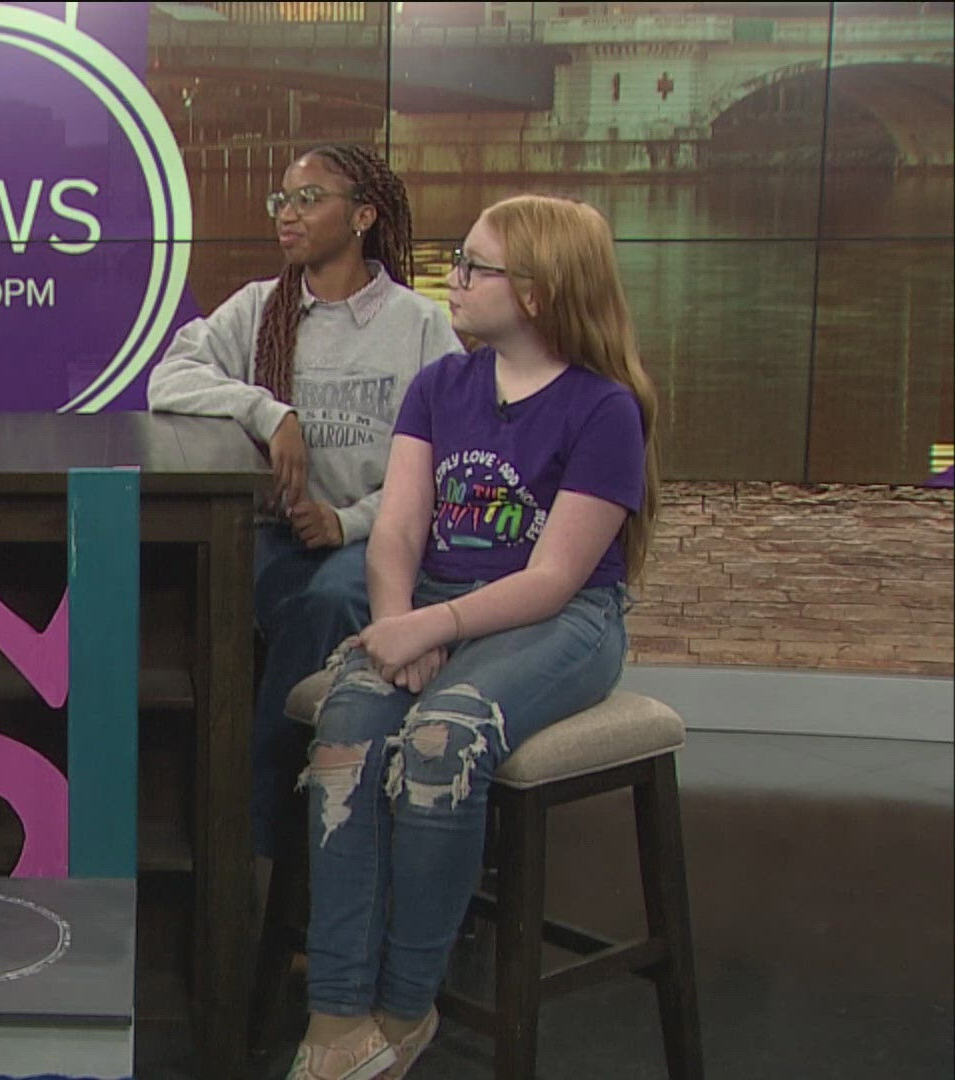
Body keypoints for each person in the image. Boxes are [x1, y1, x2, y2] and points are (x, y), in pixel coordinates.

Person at [286, 194, 660, 1080]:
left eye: (474, 265)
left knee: (442, 741)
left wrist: (432, 625)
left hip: (560, 622)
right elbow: (398, 532)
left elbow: (554, 579)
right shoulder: (442, 385)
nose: (450, 277)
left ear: (537, 291)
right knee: (345, 729)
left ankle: (406, 1006)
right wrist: (392, 626)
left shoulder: (605, 409)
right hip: (431, 604)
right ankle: (336, 1015)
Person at [146, 145, 459, 879]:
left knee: (324, 604)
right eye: (280, 201)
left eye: (309, 198)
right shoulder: (260, 308)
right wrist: (268, 410)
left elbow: (446, 465)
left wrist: (347, 522)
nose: (287, 215)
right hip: (272, 533)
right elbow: (170, 377)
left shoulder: (419, 326)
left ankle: (261, 838)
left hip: (369, 541)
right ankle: (182, 810)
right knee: (182, 587)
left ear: (362, 215)